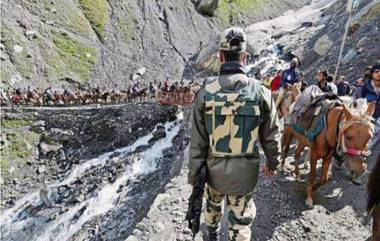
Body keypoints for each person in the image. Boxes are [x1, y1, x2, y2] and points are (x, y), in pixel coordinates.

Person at [188, 27, 281, 241]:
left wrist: (194, 176)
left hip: (214, 172)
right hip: (245, 175)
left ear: (220, 57)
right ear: (245, 57)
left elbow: (198, 141)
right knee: (240, 221)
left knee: (212, 207)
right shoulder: (261, 92)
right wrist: (273, 163)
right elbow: (272, 135)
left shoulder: (205, 92)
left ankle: (211, 235)